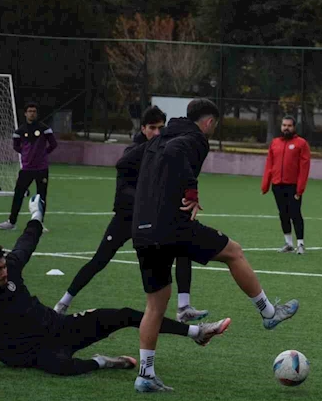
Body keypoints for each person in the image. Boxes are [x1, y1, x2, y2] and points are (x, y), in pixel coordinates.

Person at [0, 195, 230, 377]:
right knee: (63, 368)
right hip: (28, 355)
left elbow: (26, 243)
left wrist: (35, 215)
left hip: (60, 327)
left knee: (122, 314)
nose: (3, 273)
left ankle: (196, 332)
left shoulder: (11, 269)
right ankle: (103, 362)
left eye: (4, 267)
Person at [133, 98, 299, 393]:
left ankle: (146, 375)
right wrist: (191, 190)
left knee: (155, 305)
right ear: (208, 122)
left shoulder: (156, 140)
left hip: (142, 230)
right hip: (171, 226)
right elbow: (177, 154)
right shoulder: (194, 138)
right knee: (233, 251)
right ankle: (269, 313)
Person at [53, 107, 208, 323]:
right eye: (152, 128)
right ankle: (64, 301)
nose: (156, 132)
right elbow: (123, 172)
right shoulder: (137, 150)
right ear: (143, 128)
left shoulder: (164, 150)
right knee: (100, 259)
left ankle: (183, 307)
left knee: (183, 247)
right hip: (127, 217)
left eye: (161, 128)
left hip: (153, 218)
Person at [0, 103, 57, 231]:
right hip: (26, 169)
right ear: (25, 113)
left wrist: (43, 154)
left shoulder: (44, 129)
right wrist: (25, 154)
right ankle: (11, 222)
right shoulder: (20, 131)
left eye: (34, 111)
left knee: (41, 196)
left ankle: (39, 223)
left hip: (42, 169)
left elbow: (53, 144)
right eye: (29, 111)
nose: (32, 113)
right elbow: (16, 146)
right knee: (18, 194)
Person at [260, 115, 311, 254]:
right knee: (283, 214)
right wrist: (265, 185)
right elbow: (269, 165)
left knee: (295, 213)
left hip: (293, 186)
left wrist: (300, 188)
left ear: (294, 127)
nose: (286, 128)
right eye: (284, 125)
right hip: (277, 185)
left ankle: (300, 244)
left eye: (289, 125)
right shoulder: (275, 143)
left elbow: (304, 168)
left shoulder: (301, 143)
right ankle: (288, 243)